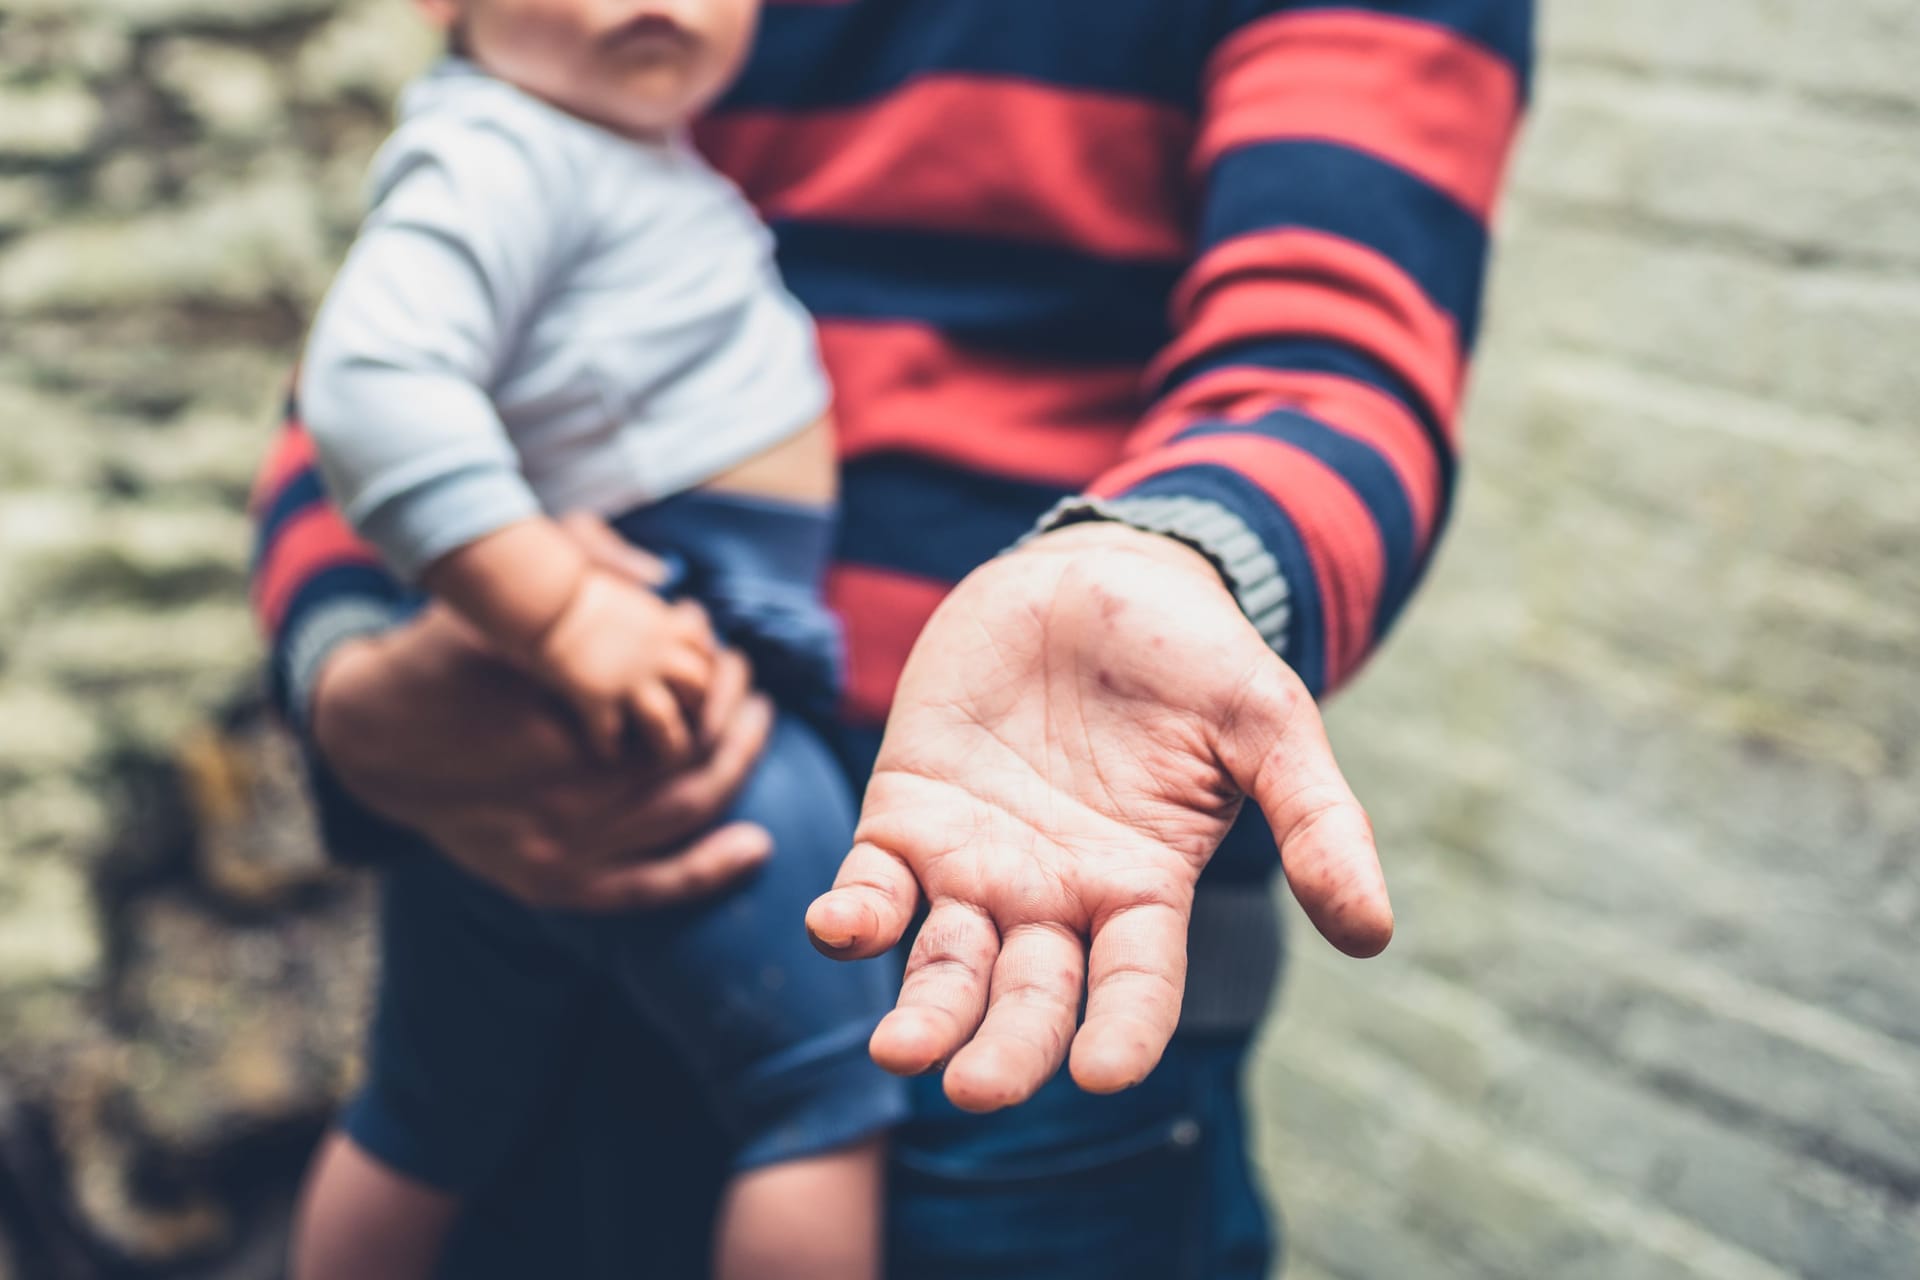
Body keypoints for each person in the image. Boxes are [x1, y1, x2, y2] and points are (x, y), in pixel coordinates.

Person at [250, 0, 1533, 1274]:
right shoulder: (565, 102)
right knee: (499, 1129)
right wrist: (352, 661)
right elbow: (378, 366)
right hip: (604, 754)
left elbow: (1332, 344)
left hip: (1015, 895)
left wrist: (1168, 556)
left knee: (438, 1119)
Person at [284, 1, 904, 1277]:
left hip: (605, 672)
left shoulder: (596, 146)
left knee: (425, 1111)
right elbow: (368, 386)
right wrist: (560, 609)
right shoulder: (505, 154)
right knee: (823, 1103)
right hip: (667, 681)